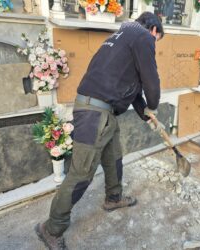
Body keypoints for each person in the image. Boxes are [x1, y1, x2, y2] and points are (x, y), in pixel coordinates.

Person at [35, 12, 165, 249]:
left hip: (104, 114)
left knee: (114, 158)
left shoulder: (121, 38)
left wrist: (147, 114)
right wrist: (155, 104)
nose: (153, 45)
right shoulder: (143, 36)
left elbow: (134, 90)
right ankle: (51, 228)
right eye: (157, 40)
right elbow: (151, 81)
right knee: (81, 174)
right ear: (154, 31)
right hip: (96, 114)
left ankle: (113, 198)